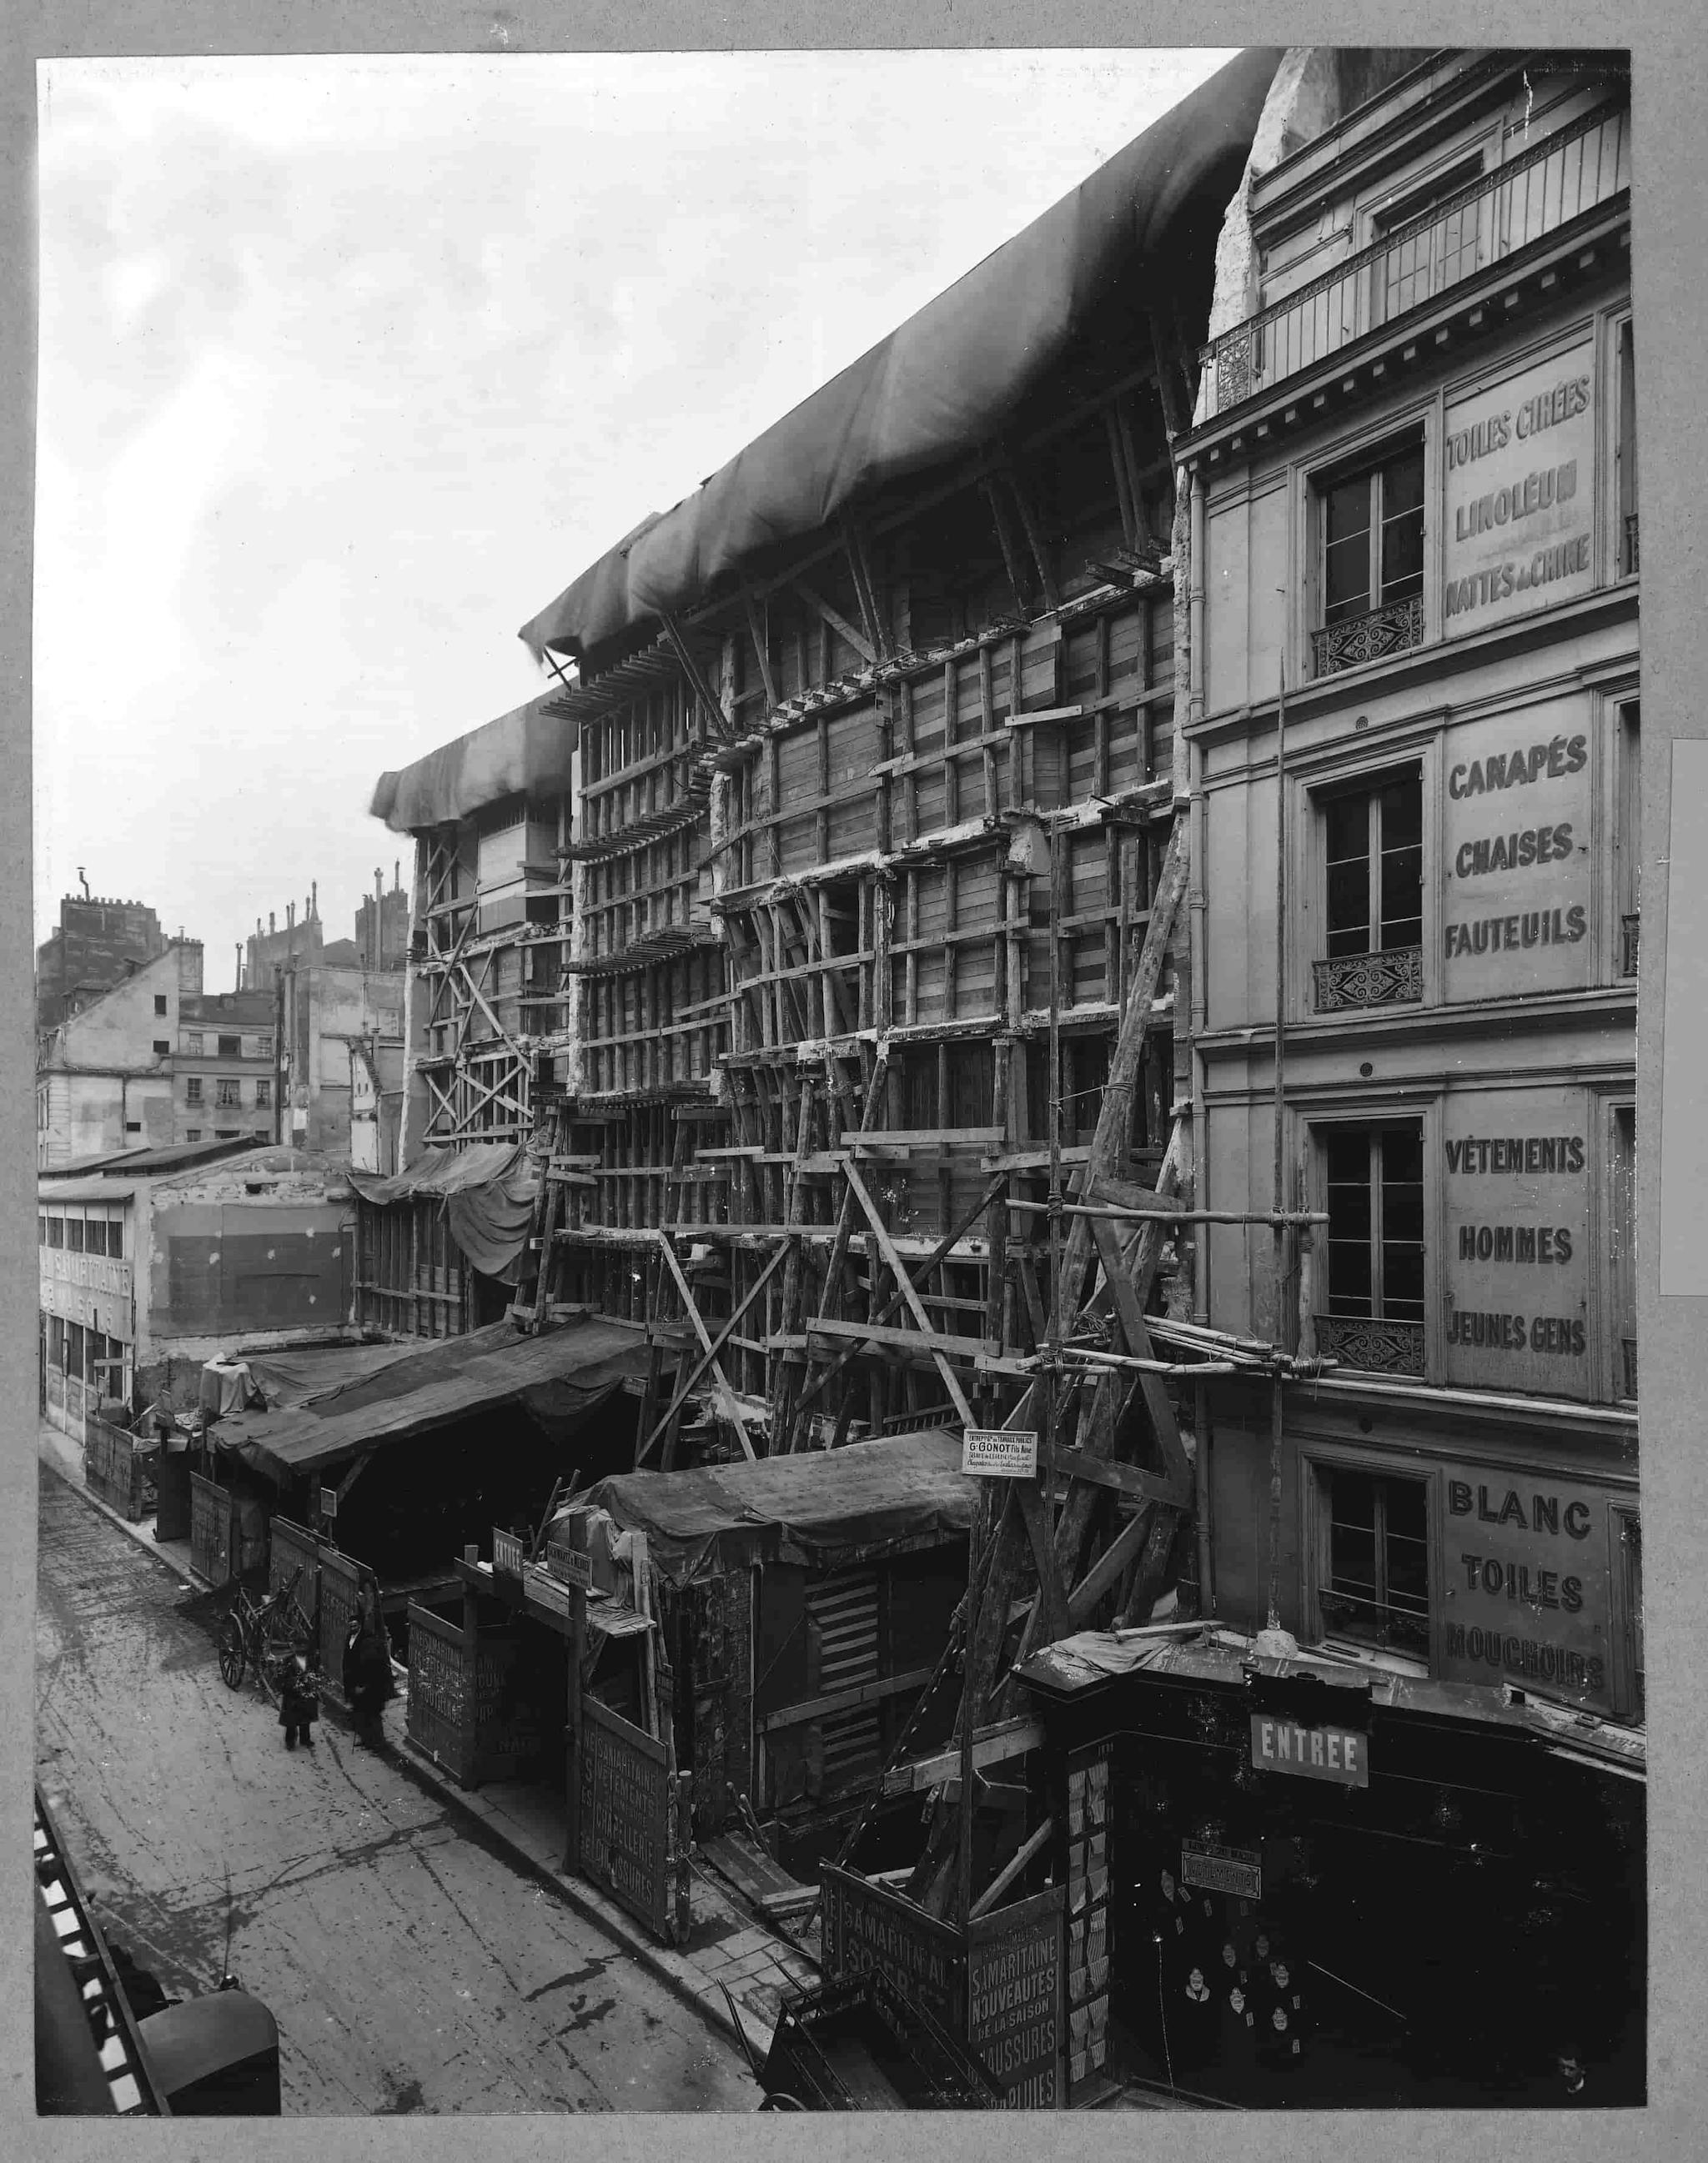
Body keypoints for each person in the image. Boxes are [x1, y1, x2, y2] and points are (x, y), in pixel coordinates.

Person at [344, 1609, 394, 1745]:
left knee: (372, 1715)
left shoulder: (368, 1644)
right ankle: (366, 1739)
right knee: (361, 1713)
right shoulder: (350, 1638)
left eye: (355, 1625)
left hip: (370, 1687)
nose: (353, 1628)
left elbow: (372, 1671)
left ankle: (377, 1742)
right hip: (357, 1682)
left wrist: (363, 1686)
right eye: (351, 1625)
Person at [279, 1651, 319, 1749]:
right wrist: (292, 1684)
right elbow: (282, 1677)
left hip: (306, 1691)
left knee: (306, 1715)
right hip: (292, 1694)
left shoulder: (311, 1660)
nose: (301, 1648)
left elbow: (316, 1673)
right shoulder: (288, 1661)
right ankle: (290, 1741)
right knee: (291, 1719)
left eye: (303, 1646)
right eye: (298, 1645)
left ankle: (305, 1738)